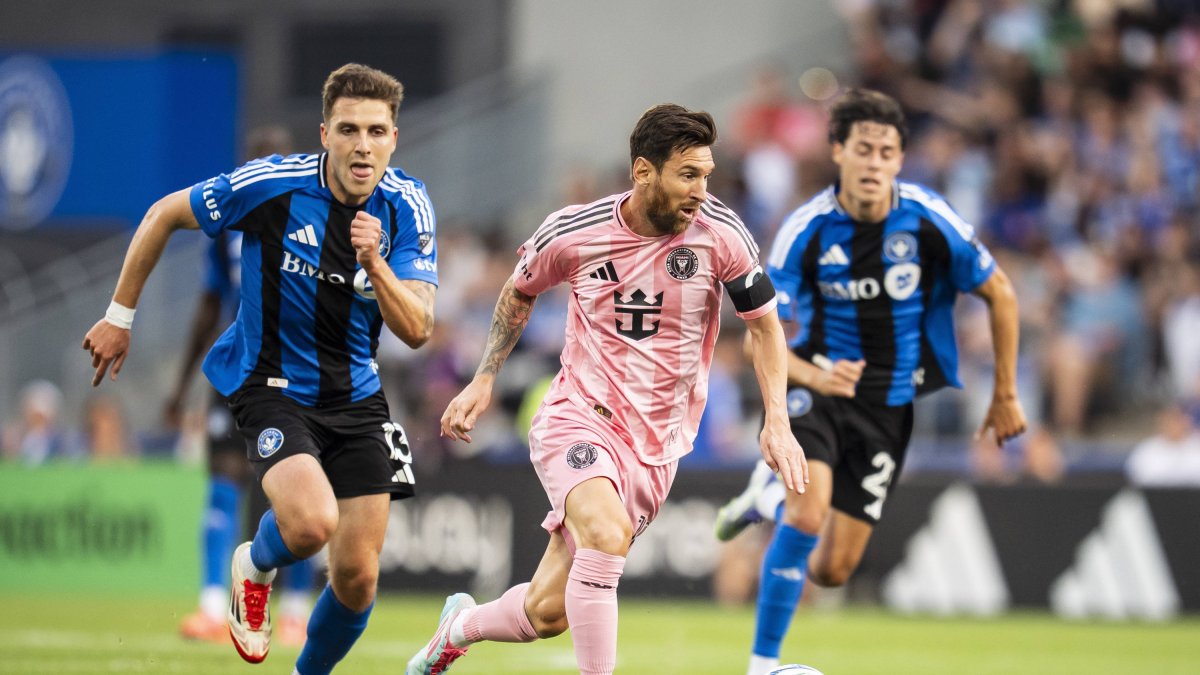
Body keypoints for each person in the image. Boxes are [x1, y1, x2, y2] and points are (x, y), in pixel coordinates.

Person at [406, 103, 807, 675]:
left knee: (547, 613)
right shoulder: (574, 231)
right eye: (688, 174)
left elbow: (765, 327)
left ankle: (460, 628)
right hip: (580, 416)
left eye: (707, 175)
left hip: (658, 444)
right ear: (644, 172)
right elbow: (518, 292)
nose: (701, 189)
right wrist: (484, 378)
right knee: (606, 530)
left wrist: (777, 420)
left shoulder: (723, 235)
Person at [82, 63, 438, 673]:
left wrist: (374, 262)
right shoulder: (272, 184)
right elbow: (163, 214)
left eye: (377, 131)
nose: (363, 145)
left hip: (356, 397)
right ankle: (253, 564)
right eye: (348, 129)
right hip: (268, 384)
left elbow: (418, 329)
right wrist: (120, 316)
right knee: (310, 525)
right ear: (324, 133)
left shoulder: (406, 205)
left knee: (357, 578)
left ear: (394, 139)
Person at [712, 88, 1026, 675]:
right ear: (838, 151)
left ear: (900, 160)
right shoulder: (805, 230)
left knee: (833, 571)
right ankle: (762, 664)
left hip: (889, 407)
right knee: (808, 517)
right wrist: (812, 373)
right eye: (864, 148)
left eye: (887, 151)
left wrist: (1005, 392)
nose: (875, 162)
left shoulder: (929, 219)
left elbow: (1001, 293)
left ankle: (765, 497)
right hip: (816, 393)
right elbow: (762, 329)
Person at [171, 126, 321, 647]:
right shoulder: (227, 226)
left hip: (299, 372)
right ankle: (212, 606)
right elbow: (209, 307)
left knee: (302, 498)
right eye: (256, 163)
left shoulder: (313, 215)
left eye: (273, 161)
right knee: (223, 484)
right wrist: (181, 386)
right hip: (236, 370)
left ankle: (298, 610)